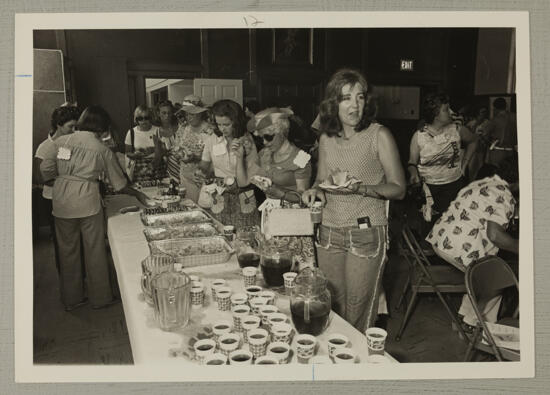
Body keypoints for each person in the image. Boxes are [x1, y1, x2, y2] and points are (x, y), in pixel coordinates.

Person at [302, 68, 406, 331]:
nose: (354, 105)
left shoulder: (379, 135)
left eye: (360, 97)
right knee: (332, 306)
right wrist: (315, 190)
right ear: (333, 103)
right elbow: (321, 180)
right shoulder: (326, 138)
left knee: (358, 309)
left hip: (366, 232)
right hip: (328, 232)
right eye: (346, 98)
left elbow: (399, 188)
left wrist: (362, 189)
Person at [41, 105, 151, 311]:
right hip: (87, 203)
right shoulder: (101, 149)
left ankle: (71, 299)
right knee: (94, 250)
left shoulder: (62, 142)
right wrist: (137, 194)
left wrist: (64, 180)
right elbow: (119, 184)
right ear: (102, 127)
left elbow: (45, 170)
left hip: (62, 202)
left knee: (67, 251)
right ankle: (100, 298)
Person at [426, 158, 519, 330]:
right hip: (459, 246)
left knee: (485, 270)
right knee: (497, 281)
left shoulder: (482, 182)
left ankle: (464, 318)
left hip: (441, 239)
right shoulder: (505, 195)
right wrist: (521, 248)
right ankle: (474, 326)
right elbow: (495, 235)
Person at [245, 107, 314, 269]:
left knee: (293, 270)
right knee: (271, 267)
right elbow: (246, 180)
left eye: (268, 137)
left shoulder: (300, 158)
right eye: (261, 138)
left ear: (282, 131)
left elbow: (304, 198)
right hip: (271, 217)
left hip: (293, 222)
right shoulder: (264, 153)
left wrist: (280, 193)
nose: (265, 142)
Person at [408, 93, 478, 223]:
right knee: (430, 225)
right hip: (429, 188)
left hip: (454, 185)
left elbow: (474, 141)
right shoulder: (419, 137)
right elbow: (412, 162)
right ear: (435, 115)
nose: (451, 112)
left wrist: (465, 164)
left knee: (452, 224)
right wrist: (413, 174)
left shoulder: (457, 130)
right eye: (446, 109)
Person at [198, 99, 260, 228]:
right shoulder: (212, 139)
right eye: (219, 124)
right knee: (220, 233)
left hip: (243, 196)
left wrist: (240, 157)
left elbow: (252, 175)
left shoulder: (247, 140)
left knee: (246, 236)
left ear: (236, 122)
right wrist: (200, 172)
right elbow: (204, 165)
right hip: (219, 195)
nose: (222, 129)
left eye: (226, 124)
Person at [34, 105, 81, 272]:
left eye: (76, 127)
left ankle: (77, 277)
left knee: (73, 241)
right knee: (62, 244)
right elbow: (40, 178)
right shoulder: (45, 147)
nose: (74, 130)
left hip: (70, 198)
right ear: (59, 125)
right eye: (71, 127)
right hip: (53, 200)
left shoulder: (67, 143)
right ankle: (66, 278)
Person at [171, 95, 216, 201]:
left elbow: (216, 159)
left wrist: (195, 157)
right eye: (186, 114)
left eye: (192, 114)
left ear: (201, 113)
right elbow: (176, 148)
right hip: (185, 177)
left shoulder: (210, 131)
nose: (188, 117)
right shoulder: (183, 128)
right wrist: (179, 155)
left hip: (202, 179)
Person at [124, 105, 165, 182]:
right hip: (139, 169)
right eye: (140, 118)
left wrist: (154, 150)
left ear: (151, 118)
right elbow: (127, 153)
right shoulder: (131, 133)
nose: (143, 121)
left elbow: (165, 150)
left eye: (146, 118)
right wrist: (135, 155)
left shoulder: (158, 130)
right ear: (136, 119)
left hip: (157, 167)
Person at [483, 97, 517, 167]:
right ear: (506, 106)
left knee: (495, 173)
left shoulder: (494, 120)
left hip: (497, 152)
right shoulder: (515, 117)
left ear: (494, 108)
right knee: (508, 173)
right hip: (511, 151)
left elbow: (485, 136)